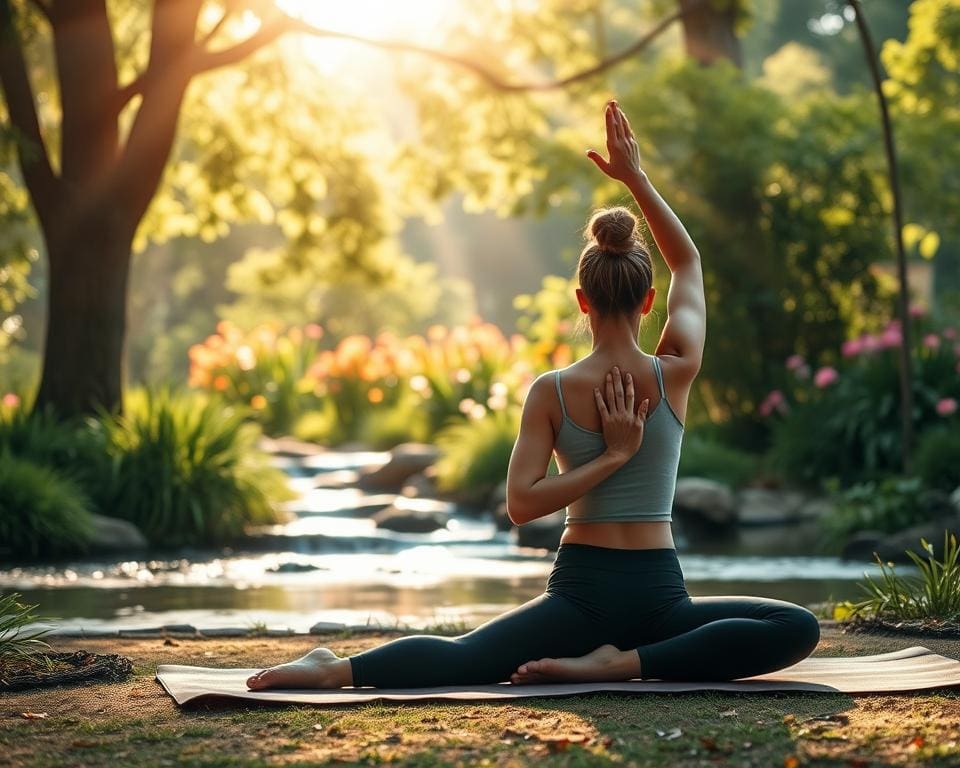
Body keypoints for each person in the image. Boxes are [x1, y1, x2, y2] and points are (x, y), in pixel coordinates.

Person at [246, 100, 820, 692]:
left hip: (591, 595)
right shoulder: (675, 370)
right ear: (649, 301)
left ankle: (340, 668)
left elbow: (522, 504)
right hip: (644, 599)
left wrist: (604, 459)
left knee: (465, 657)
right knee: (793, 626)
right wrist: (635, 179)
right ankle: (633, 662)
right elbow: (689, 262)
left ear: (581, 300)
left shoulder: (552, 391)